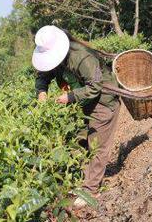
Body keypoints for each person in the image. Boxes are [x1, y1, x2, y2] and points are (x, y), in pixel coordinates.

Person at [32, 25, 120, 212]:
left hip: (103, 100)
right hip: (83, 102)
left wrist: (70, 97)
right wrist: (41, 92)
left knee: (97, 144)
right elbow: (43, 76)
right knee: (79, 141)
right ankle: (82, 182)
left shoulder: (82, 57)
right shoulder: (55, 61)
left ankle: (91, 190)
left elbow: (95, 86)